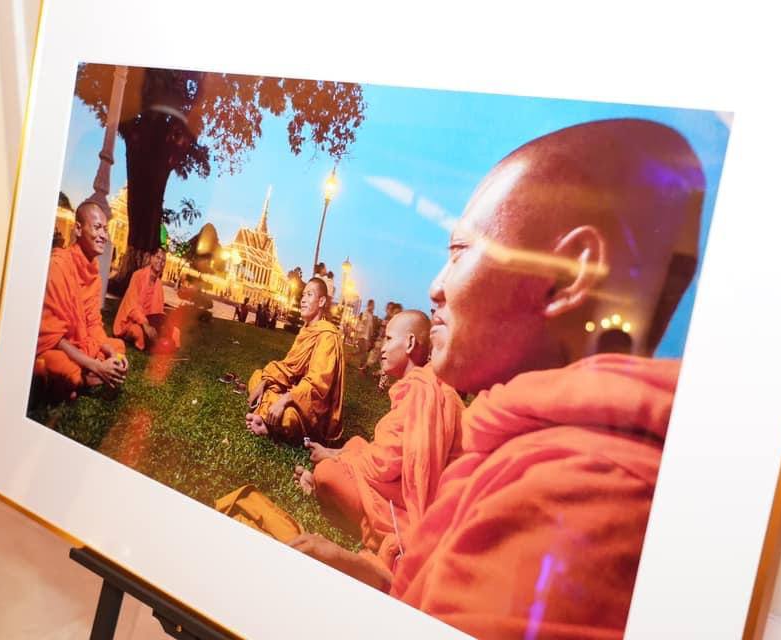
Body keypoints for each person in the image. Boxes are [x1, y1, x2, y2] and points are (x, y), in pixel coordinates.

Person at [289, 118, 705, 638]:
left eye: (459, 253)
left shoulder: (571, 503)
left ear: (568, 276)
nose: (435, 287)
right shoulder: (516, 442)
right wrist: (376, 582)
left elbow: (400, 470)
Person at [293, 310, 463, 562]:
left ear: (410, 343)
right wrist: (341, 453)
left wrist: (336, 459)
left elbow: (382, 465)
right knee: (355, 443)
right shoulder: (430, 383)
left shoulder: (421, 391)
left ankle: (361, 520)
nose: (382, 348)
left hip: (412, 509)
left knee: (326, 473)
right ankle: (330, 481)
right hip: (411, 488)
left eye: (389, 339)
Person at [34, 200, 128, 400]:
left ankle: (85, 377)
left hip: (82, 345)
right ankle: (84, 378)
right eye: (97, 227)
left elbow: (93, 323)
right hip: (58, 347)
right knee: (59, 365)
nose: (103, 235)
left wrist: (112, 354)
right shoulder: (59, 266)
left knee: (118, 346)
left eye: (105, 229)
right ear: (78, 229)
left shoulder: (94, 275)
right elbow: (54, 337)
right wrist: (95, 365)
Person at [245, 278, 346, 445]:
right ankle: (267, 416)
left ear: (321, 301)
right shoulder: (306, 330)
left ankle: (266, 419)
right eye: (303, 295)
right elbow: (288, 368)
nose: (303, 300)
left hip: (310, 406)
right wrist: (265, 382)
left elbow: (317, 385)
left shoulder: (327, 335)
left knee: (288, 416)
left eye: (309, 295)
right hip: (293, 390)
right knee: (258, 377)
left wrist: (285, 399)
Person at [113, 247, 181, 352]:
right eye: (158, 257)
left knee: (176, 332)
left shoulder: (159, 284)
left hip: (151, 322)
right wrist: (145, 324)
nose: (160, 262)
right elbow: (132, 308)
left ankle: (158, 343)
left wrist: (162, 325)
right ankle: (152, 343)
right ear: (151, 258)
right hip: (133, 322)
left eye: (163, 260)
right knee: (137, 332)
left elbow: (159, 313)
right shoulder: (138, 276)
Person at [355, 299, 376, 369]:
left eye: (373, 306)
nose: (373, 307)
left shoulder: (370, 315)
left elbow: (371, 326)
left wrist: (371, 334)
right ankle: (361, 366)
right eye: (372, 305)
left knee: (362, 351)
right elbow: (363, 322)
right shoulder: (365, 313)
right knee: (364, 352)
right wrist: (358, 332)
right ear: (369, 305)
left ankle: (351, 355)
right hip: (362, 335)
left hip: (367, 336)